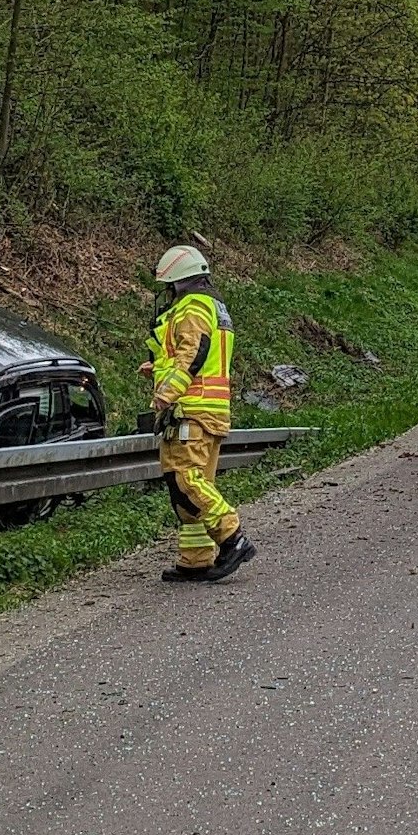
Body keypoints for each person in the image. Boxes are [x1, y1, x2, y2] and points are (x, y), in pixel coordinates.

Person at [142, 245, 257, 583]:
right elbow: (198, 357)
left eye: (169, 286)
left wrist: (167, 392)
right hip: (210, 409)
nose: (168, 294)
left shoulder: (191, 307)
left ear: (178, 281)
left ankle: (232, 538)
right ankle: (195, 560)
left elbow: (193, 353)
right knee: (191, 487)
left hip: (191, 411)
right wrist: (158, 368)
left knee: (185, 478)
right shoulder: (214, 308)